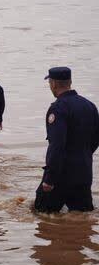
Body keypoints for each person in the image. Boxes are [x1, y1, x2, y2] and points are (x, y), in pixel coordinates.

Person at [33, 67, 99, 213]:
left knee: (41, 217)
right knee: (83, 219)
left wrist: (50, 179)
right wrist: (82, 155)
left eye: (50, 82)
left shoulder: (58, 109)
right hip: (84, 173)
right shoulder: (90, 106)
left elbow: (57, 146)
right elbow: (95, 139)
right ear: (70, 82)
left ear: (54, 84)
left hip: (61, 176)